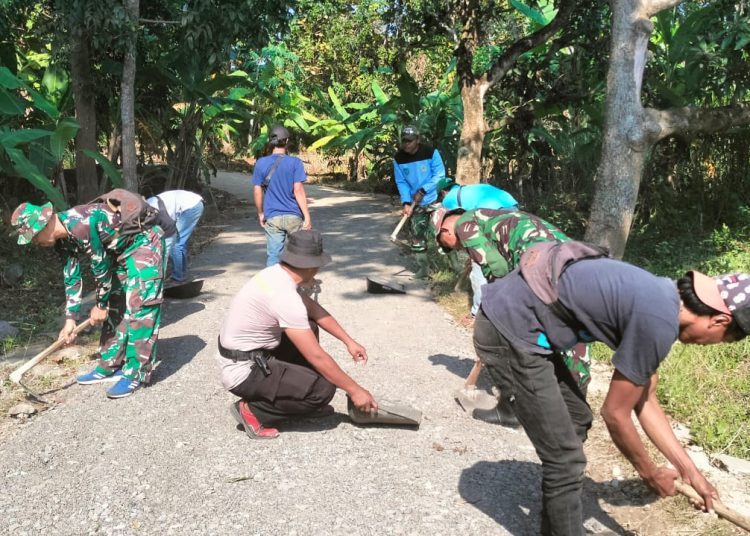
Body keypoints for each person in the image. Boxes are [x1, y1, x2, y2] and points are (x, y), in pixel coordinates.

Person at [476, 242, 749, 534]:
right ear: (720, 320)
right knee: (566, 460)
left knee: (576, 418)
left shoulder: (662, 298)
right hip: (509, 332)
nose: (713, 344)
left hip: (521, 322)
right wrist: (651, 474)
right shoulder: (658, 321)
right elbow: (616, 414)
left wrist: (690, 471)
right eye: (724, 339)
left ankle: (555, 524)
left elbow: (645, 400)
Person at [430, 207, 590, 426]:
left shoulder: (464, 226)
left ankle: (513, 409)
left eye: (446, 245)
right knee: (573, 339)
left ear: (445, 230)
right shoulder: (487, 216)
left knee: (507, 336)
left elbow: (498, 270)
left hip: (543, 270)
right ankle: (574, 414)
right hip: (575, 262)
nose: (456, 249)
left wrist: (496, 317)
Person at [216, 229, 378, 439]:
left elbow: (314, 310)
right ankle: (253, 410)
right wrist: (355, 390)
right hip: (244, 371)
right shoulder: (284, 296)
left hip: (250, 354)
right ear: (313, 265)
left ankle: (298, 391)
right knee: (323, 391)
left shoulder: (277, 274)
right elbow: (316, 356)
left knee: (309, 326)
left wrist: (348, 341)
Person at [10, 200, 166, 399]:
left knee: (140, 304)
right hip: (119, 253)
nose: (35, 242)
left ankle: (136, 373)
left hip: (143, 244)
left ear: (45, 223)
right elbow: (72, 276)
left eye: (33, 236)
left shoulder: (81, 224)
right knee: (116, 304)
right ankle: (111, 365)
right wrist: (70, 319)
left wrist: (100, 305)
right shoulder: (63, 239)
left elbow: (101, 270)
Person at [435, 177, 518, 326]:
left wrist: (474, 255)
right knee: (505, 257)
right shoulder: (469, 190)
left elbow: (463, 229)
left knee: (478, 269)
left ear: (443, 193)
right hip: (512, 207)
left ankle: (478, 314)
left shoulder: (448, 201)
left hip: (493, 214)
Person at [252, 125, 312, 267]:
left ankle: (274, 286)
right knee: (297, 253)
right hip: (294, 216)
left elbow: (257, 190)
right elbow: (298, 190)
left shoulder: (260, 163)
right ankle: (298, 284)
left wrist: (261, 213)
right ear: (286, 141)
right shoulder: (295, 162)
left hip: (272, 216)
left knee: (274, 255)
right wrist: (307, 216)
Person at [393, 125, 445, 269]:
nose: (406, 144)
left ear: (418, 140)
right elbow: (401, 182)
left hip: (434, 200)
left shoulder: (431, 152)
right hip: (415, 203)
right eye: (404, 141)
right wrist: (406, 202)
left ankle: (451, 266)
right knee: (417, 235)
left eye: (410, 141)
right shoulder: (398, 158)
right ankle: (423, 268)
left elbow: (439, 175)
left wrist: (423, 190)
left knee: (441, 233)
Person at [147, 189, 204, 284]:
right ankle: (182, 274)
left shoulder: (157, 210)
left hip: (191, 207)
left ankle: (178, 278)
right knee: (180, 243)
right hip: (190, 204)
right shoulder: (149, 205)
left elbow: (169, 229)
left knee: (176, 244)